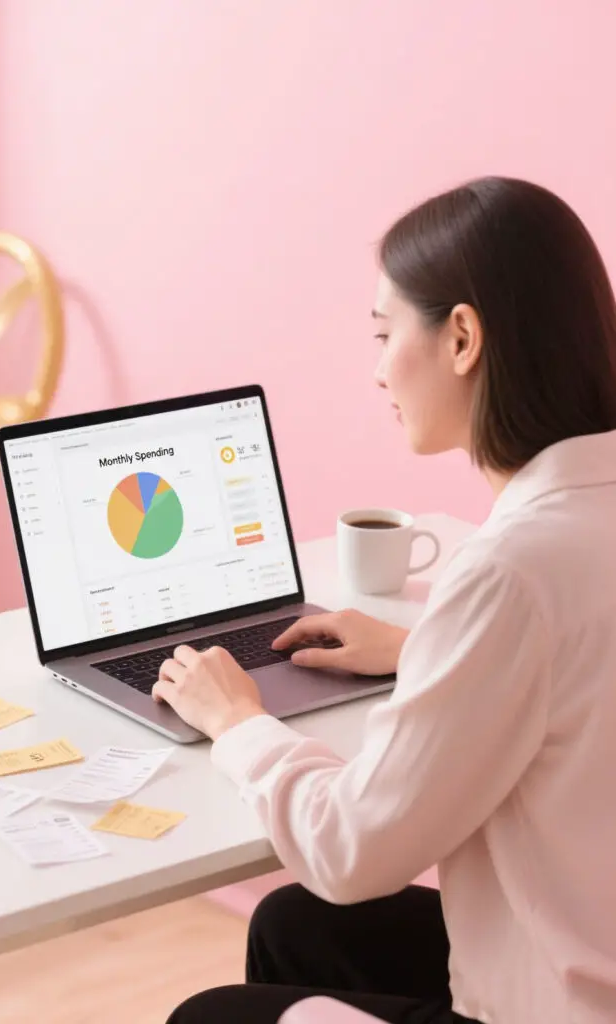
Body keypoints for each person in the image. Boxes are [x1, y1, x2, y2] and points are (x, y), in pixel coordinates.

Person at [157, 177, 616, 1024]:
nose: (375, 371)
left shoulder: (512, 571)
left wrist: (237, 722)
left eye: (384, 333)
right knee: (297, 927)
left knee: (211, 1015)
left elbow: (349, 849)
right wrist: (423, 650)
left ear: (462, 338)